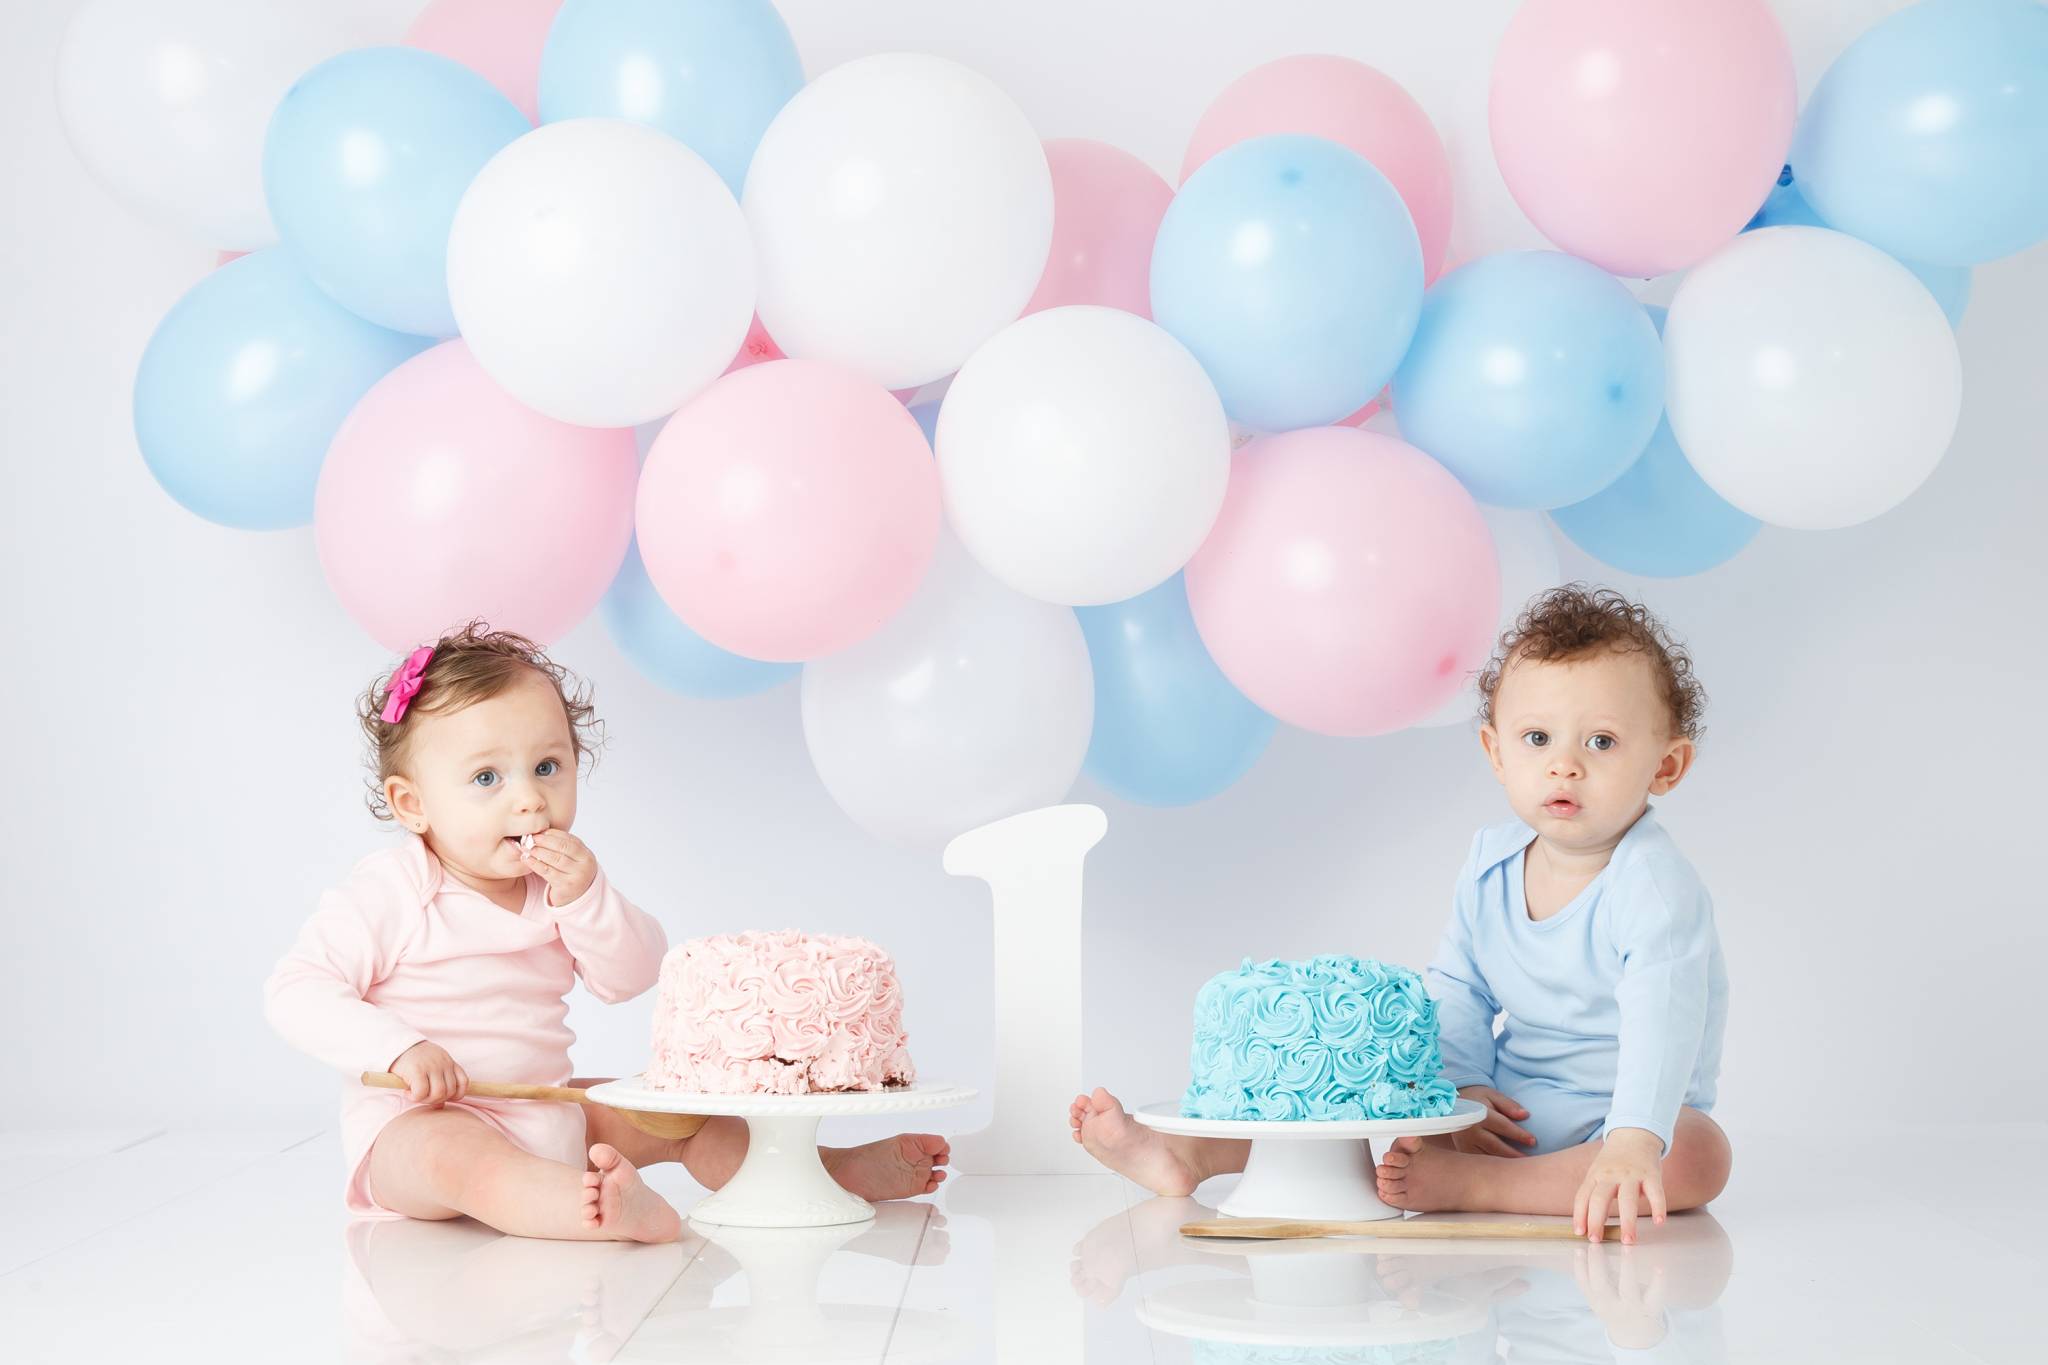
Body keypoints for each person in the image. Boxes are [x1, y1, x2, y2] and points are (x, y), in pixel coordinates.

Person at [1071, 585, 1732, 1243]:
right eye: (1537, 737)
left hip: (1618, 1120)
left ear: (1665, 766)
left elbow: (1664, 1017)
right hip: (1510, 1109)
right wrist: (1466, 1092)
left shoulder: (1652, 885)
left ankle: (1478, 1185)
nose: (1565, 764)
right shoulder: (1490, 864)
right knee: (1375, 1097)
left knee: (1700, 1154)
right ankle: (1200, 1155)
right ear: (1497, 752)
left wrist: (1634, 1138)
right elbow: (1459, 987)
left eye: (1602, 742)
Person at [266, 622, 949, 1242]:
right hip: (415, 1129)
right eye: (486, 777)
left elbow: (635, 974)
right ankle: (595, 1211)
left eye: (547, 766)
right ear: (412, 804)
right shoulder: (391, 891)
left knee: (679, 1114)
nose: (528, 797)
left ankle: (826, 1170)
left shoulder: (557, 887)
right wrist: (399, 1047)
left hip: (546, 1105)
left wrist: (584, 896)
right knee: (469, 1162)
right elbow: (296, 990)